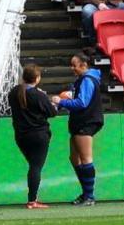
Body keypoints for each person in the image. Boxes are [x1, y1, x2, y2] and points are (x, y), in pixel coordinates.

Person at [55, 52, 105, 204]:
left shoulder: (88, 80)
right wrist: (70, 96)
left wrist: (60, 102)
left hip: (86, 122)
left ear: (83, 65)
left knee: (85, 159)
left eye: (74, 65)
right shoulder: (84, 80)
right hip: (79, 122)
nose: (72, 68)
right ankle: (86, 193)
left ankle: (89, 196)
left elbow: (82, 103)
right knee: (74, 158)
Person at [8, 65, 59, 208]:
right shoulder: (39, 95)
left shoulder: (14, 92)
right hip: (39, 136)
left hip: (21, 136)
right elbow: (52, 112)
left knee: (33, 166)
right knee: (36, 167)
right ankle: (32, 200)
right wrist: (54, 102)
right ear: (37, 79)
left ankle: (32, 198)